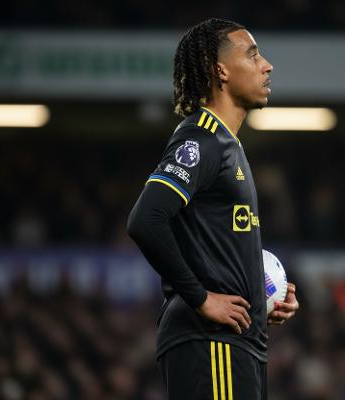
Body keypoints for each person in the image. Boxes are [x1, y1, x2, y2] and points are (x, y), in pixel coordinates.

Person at [127, 18, 299, 400]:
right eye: (252, 55)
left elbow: (213, 247)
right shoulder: (202, 140)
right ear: (220, 70)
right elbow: (146, 219)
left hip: (237, 345)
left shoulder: (228, 145)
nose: (266, 65)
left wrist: (263, 300)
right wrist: (202, 298)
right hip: (212, 343)